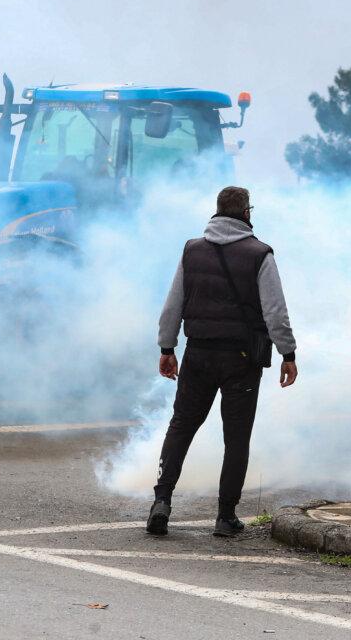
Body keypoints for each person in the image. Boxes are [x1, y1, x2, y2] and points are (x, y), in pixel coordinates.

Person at [148, 186, 298, 537]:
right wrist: (287, 353)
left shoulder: (192, 250)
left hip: (198, 353)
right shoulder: (260, 254)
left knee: (182, 426)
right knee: (236, 437)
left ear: (217, 212)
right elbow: (275, 311)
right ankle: (225, 517)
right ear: (246, 213)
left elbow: (173, 305)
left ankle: (162, 502)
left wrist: (167, 348)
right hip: (241, 359)